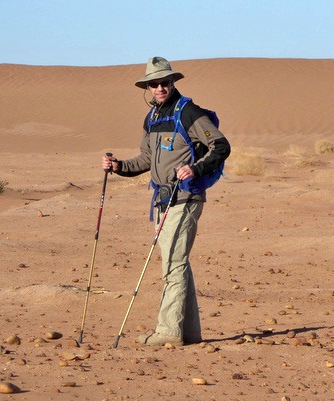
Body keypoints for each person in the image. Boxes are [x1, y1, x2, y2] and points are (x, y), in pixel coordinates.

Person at [102, 57, 231, 346]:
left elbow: (221, 146)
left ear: (173, 83)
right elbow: (146, 159)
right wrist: (118, 166)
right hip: (162, 199)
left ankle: (168, 332)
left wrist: (195, 168)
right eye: (154, 83)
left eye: (164, 82)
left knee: (173, 263)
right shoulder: (153, 118)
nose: (160, 87)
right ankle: (190, 332)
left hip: (185, 196)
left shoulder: (189, 112)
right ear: (147, 87)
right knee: (177, 262)